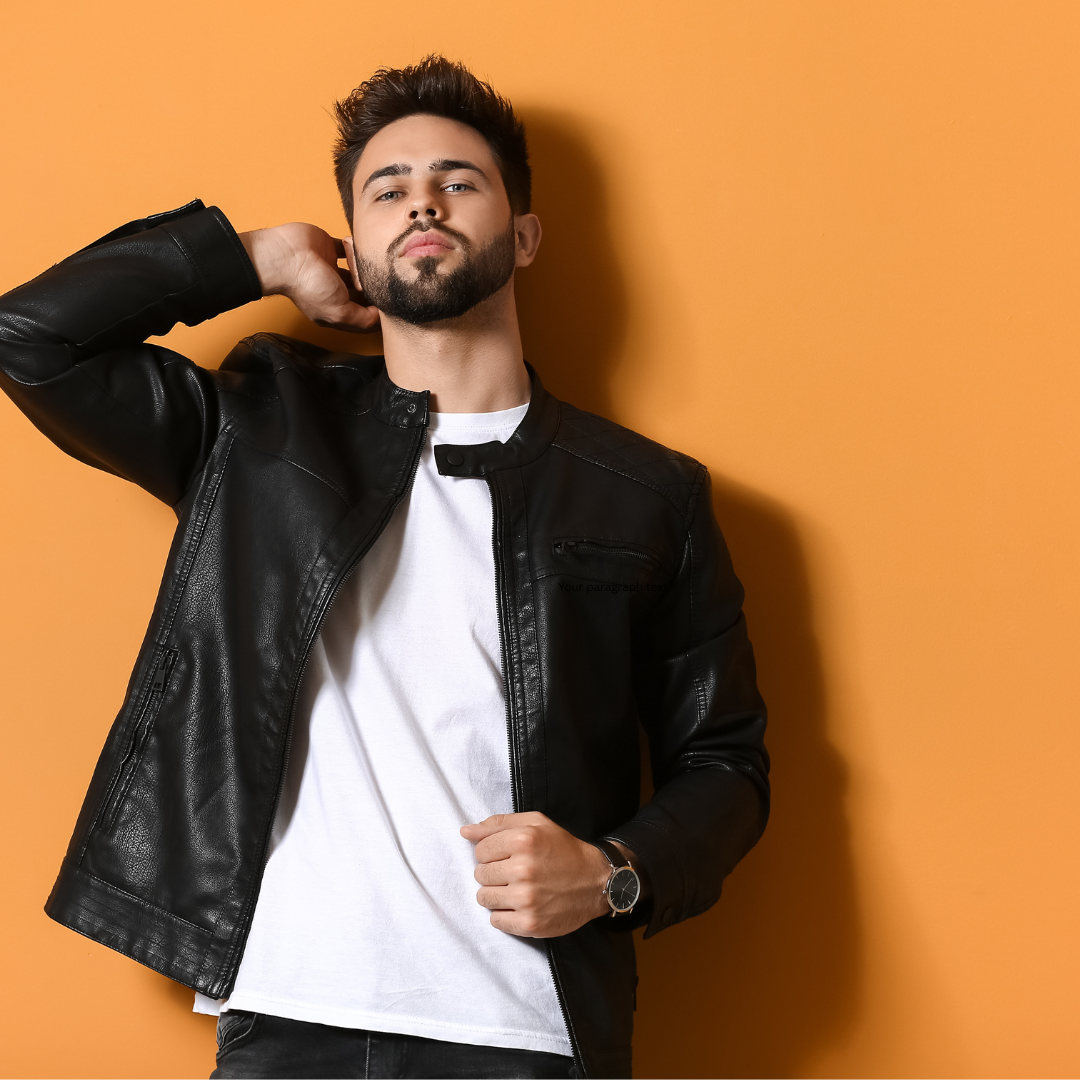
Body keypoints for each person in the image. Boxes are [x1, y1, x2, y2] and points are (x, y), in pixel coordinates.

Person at [0, 56, 769, 1079]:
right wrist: (258, 256)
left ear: (524, 235)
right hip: (287, 1016)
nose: (423, 203)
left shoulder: (646, 493)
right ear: (355, 249)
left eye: (458, 181)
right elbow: (31, 340)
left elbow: (725, 763)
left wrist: (611, 874)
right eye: (388, 189)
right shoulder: (260, 429)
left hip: (524, 1032)